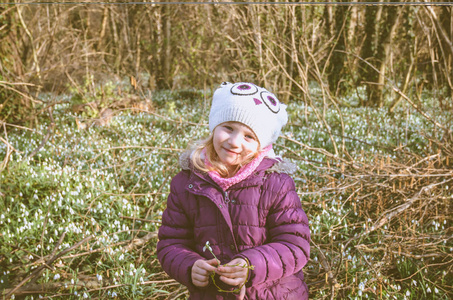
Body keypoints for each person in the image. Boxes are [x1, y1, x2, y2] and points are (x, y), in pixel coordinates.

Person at [157, 82, 310, 299]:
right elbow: (171, 243)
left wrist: (251, 265)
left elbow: (295, 245)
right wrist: (190, 266)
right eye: (228, 128)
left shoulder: (276, 184)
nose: (235, 142)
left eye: (249, 136)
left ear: (262, 144)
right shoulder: (186, 184)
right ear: (214, 126)